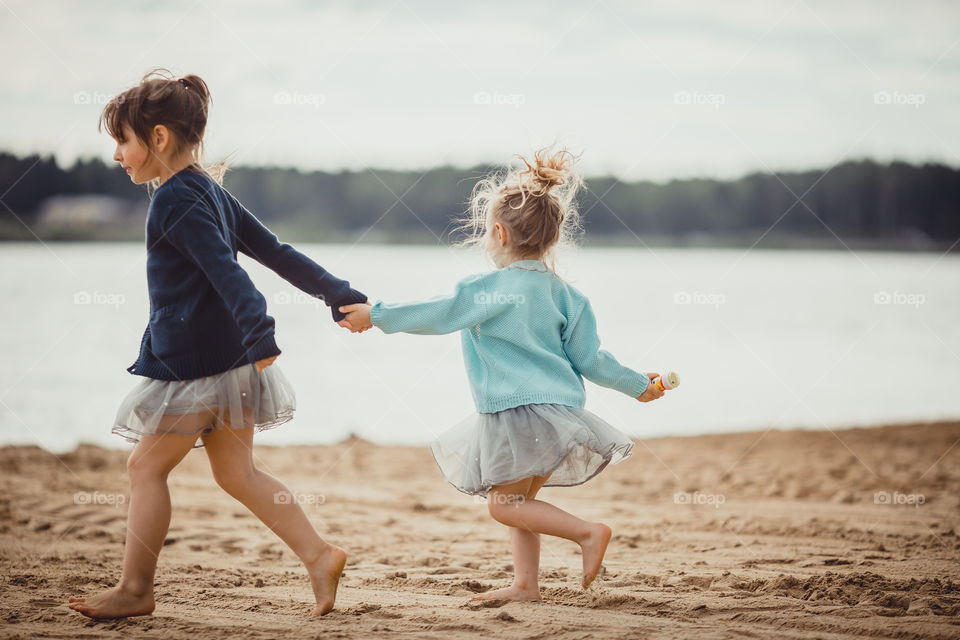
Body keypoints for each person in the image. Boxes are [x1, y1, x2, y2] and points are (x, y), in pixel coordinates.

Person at [67, 70, 366, 619]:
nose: (116, 155)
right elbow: (278, 251)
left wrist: (260, 331)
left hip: (198, 369)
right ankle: (318, 555)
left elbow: (228, 271)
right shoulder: (209, 191)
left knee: (144, 469)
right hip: (231, 366)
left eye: (122, 141)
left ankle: (135, 590)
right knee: (237, 473)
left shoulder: (174, 201)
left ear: (157, 138)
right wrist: (337, 292)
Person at [339, 147, 664, 601]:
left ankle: (588, 534)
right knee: (522, 503)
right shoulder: (568, 296)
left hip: (516, 413)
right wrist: (638, 385)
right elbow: (592, 360)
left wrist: (375, 315)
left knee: (504, 505)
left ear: (498, 233)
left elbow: (436, 314)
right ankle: (525, 586)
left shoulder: (486, 289)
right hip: (559, 413)